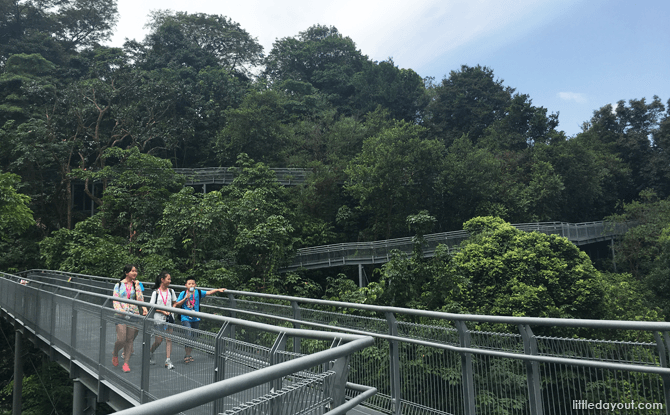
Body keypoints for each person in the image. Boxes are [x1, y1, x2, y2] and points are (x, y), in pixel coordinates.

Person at [177, 277, 226, 364]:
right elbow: (177, 304)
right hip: (185, 317)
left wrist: (218, 290)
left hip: (196, 317)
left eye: (193, 283)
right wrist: (185, 298)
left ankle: (188, 354)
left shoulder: (198, 292)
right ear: (186, 285)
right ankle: (187, 355)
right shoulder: (183, 293)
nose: (191, 285)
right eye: (189, 284)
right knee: (188, 335)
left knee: (193, 337)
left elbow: (209, 292)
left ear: (195, 285)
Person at [112, 264, 148, 373]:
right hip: (121, 314)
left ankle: (126, 363)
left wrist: (143, 308)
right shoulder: (118, 285)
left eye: (136, 271)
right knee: (121, 339)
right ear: (126, 273)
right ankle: (115, 353)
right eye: (132, 271)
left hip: (133, 314)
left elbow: (140, 299)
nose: (135, 273)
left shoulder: (136, 284)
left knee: (129, 340)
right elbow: (115, 300)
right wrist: (120, 311)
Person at [148, 271, 186, 370]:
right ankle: (150, 352)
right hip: (159, 318)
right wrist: (163, 311)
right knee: (159, 340)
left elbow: (175, 303)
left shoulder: (171, 291)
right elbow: (152, 307)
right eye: (168, 279)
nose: (170, 281)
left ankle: (168, 360)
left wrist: (171, 309)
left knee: (169, 339)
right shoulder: (155, 293)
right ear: (162, 280)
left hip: (169, 318)